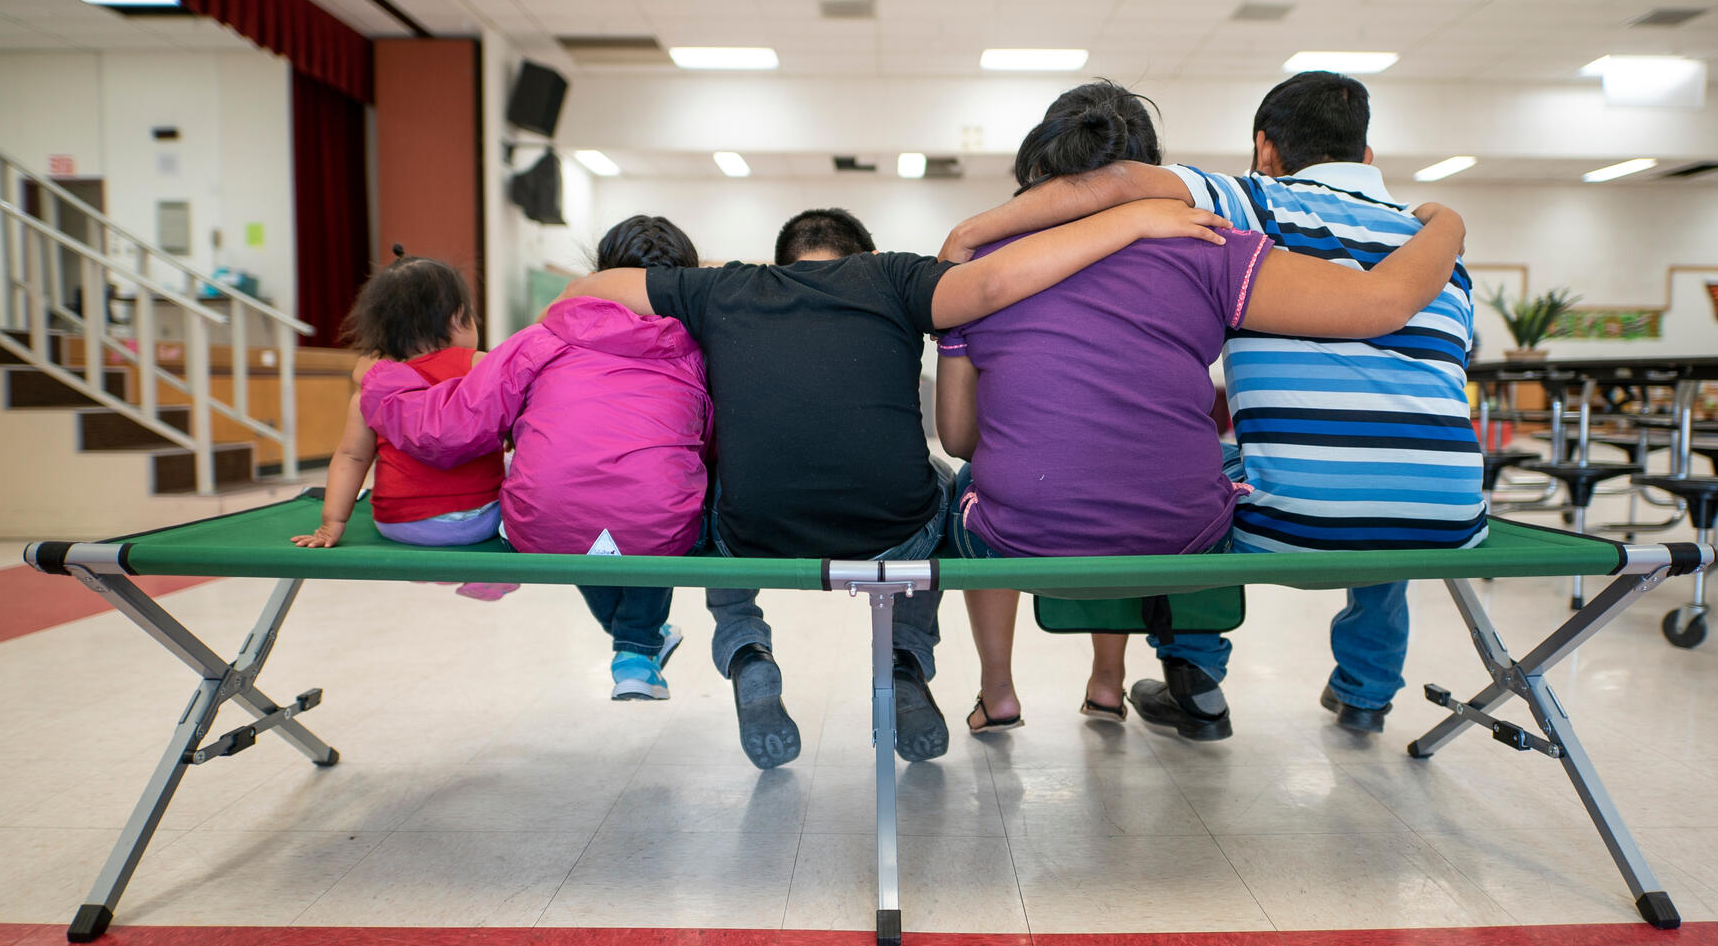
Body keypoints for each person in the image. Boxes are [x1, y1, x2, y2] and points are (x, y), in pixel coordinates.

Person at [564, 199, 1233, 769]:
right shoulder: (894, 276)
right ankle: (906, 662)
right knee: (943, 487)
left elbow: (585, 291)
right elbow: (996, 284)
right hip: (890, 530)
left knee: (718, 489)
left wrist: (722, 274)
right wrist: (1135, 219)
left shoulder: (724, 290)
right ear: (866, 252)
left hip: (758, 534)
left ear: (782, 260)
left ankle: (744, 646)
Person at [942, 71, 1485, 736]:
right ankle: (1344, 689)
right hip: (1427, 510)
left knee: (1158, 472)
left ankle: (1122, 681)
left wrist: (969, 239)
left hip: (1070, 529)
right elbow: (1379, 304)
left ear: (1265, 149)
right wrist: (1449, 221)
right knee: (1287, 475)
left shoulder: (1242, 207)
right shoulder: (1237, 239)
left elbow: (1106, 187)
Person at [358, 217, 711, 701]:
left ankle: (637, 641)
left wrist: (384, 384)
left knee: (576, 514)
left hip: (545, 527)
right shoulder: (699, 350)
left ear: (599, 272)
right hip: (656, 525)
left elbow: (450, 428)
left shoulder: (540, 338)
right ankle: (637, 645)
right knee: (652, 504)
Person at [291, 251, 513, 602]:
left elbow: (350, 457)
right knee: (516, 467)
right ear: (459, 319)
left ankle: (437, 569)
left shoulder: (373, 388)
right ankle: (497, 571)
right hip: (478, 524)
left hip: (400, 525)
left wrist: (331, 523)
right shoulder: (480, 365)